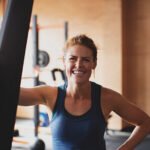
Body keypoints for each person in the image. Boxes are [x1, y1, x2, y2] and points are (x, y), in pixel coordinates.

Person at [19, 34, 150, 150]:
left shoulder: (107, 97)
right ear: (64, 62)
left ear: (94, 64)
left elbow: (145, 122)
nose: (79, 64)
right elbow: (13, 95)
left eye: (86, 60)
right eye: (72, 58)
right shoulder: (49, 94)